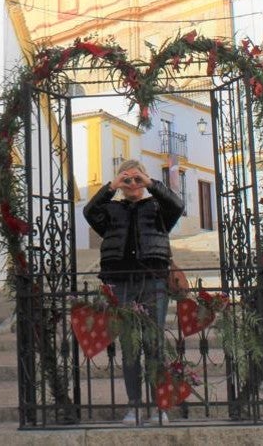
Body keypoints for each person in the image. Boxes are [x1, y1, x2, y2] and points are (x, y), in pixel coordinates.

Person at [83, 159, 185, 426]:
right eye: (126, 179)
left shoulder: (157, 208)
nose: (131, 184)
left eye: (136, 178)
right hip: (121, 282)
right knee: (130, 347)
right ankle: (135, 406)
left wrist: (150, 184)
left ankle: (160, 407)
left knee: (154, 345)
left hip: (154, 281)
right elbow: (89, 212)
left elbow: (178, 205)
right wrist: (111, 187)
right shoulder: (111, 210)